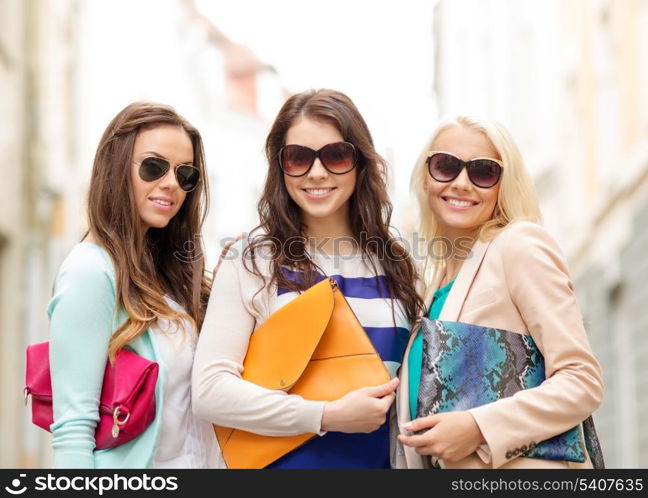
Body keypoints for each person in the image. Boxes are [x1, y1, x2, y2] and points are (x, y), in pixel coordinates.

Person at [192, 89, 423, 469]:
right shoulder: (252, 260)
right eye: (298, 157)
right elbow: (210, 391)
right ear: (280, 167)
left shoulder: (396, 263)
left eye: (336, 155)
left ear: (360, 163)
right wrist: (325, 415)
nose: (317, 173)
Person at [396, 115, 604, 469]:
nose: (461, 183)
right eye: (445, 165)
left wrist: (478, 427)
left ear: (503, 185)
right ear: (425, 178)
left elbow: (581, 381)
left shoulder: (519, 245)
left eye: (483, 171)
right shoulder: (433, 283)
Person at [48, 102, 222, 468]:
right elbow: (73, 429)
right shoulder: (90, 271)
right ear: (115, 168)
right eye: (153, 166)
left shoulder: (173, 275)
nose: (171, 183)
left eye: (185, 174)